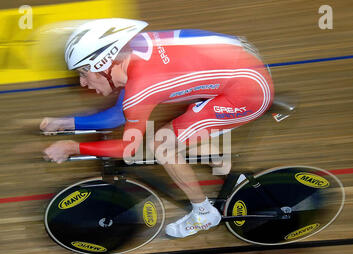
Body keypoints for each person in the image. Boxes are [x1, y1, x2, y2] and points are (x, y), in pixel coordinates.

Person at [41, 18, 274, 238]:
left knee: (161, 143)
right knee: (182, 133)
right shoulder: (132, 53)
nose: (82, 82)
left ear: (103, 64)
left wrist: (74, 147)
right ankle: (229, 172)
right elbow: (117, 115)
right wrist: (67, 123)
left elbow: (127, 149)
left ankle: (204, 213)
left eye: (84, 73)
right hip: (238, 69)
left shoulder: (142, 86)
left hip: (247, 93)